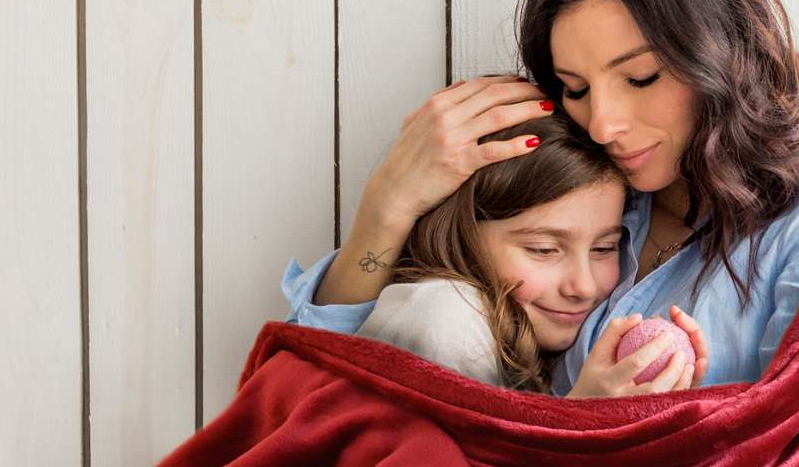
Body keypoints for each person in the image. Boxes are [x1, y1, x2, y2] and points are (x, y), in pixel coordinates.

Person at [281, 0, 799, 395]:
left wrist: (595, 433)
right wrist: (387, 208)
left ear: (722, 53)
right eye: (575, 87)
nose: (603, 125)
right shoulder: (581, 171)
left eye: (641, 78)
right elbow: (326, 396)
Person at [287, 109, 706, 394]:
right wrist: (582, 421)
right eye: (543, 249)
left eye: (604, 247)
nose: (583, 286)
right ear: (464, 236)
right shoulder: (445, 318)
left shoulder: (528, 337)